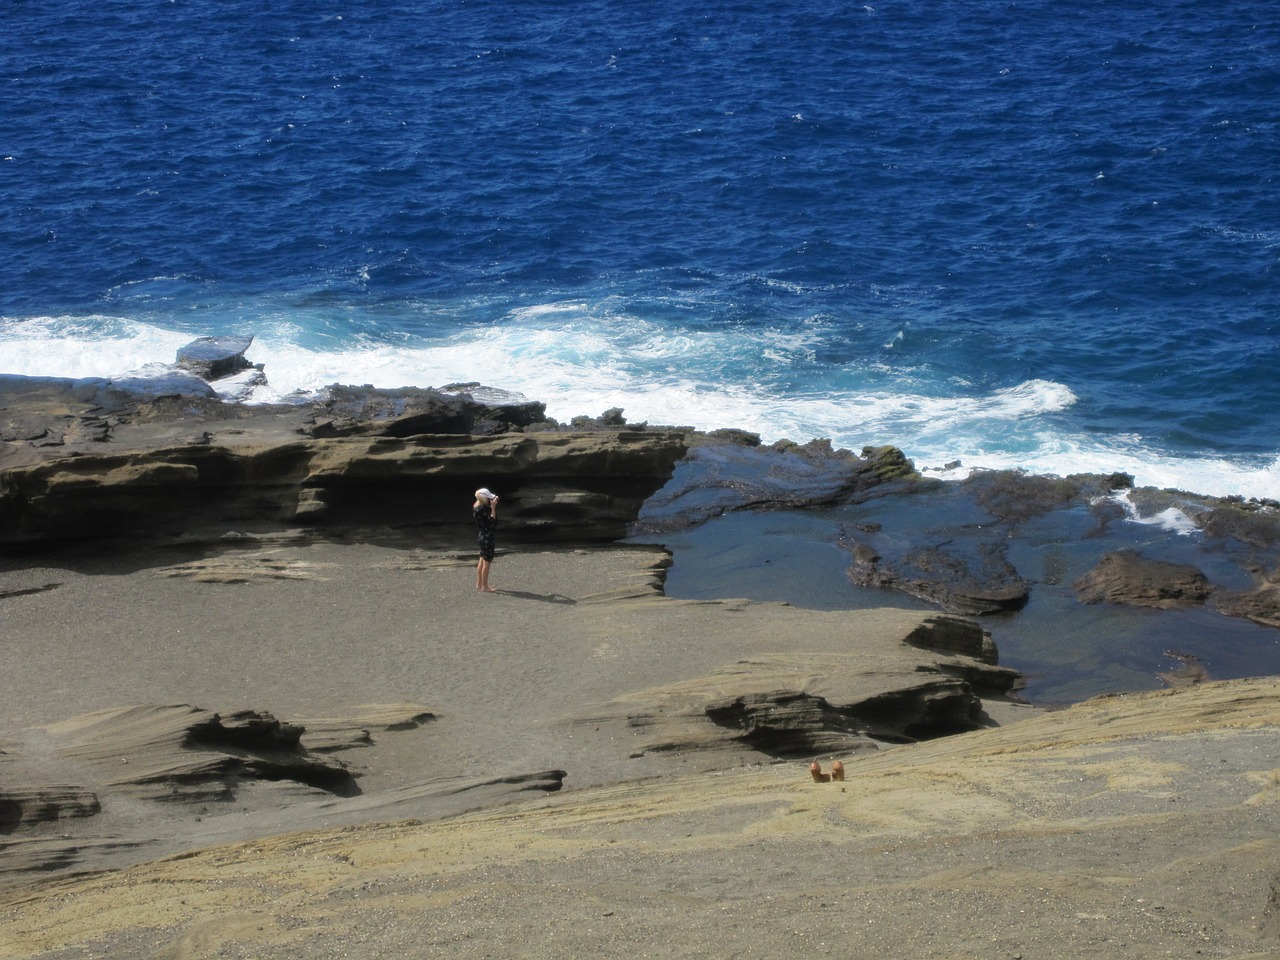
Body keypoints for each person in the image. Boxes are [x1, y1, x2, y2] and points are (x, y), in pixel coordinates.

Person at [473, 487, 499, 592]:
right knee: (487, 562)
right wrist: (493, 508)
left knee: (482, 560)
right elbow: (492, 523)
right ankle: (484, 586)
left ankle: (479, 583)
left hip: (481, 536)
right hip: (487, 537)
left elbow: (479, 499)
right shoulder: (482, 511)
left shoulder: (476, 507)